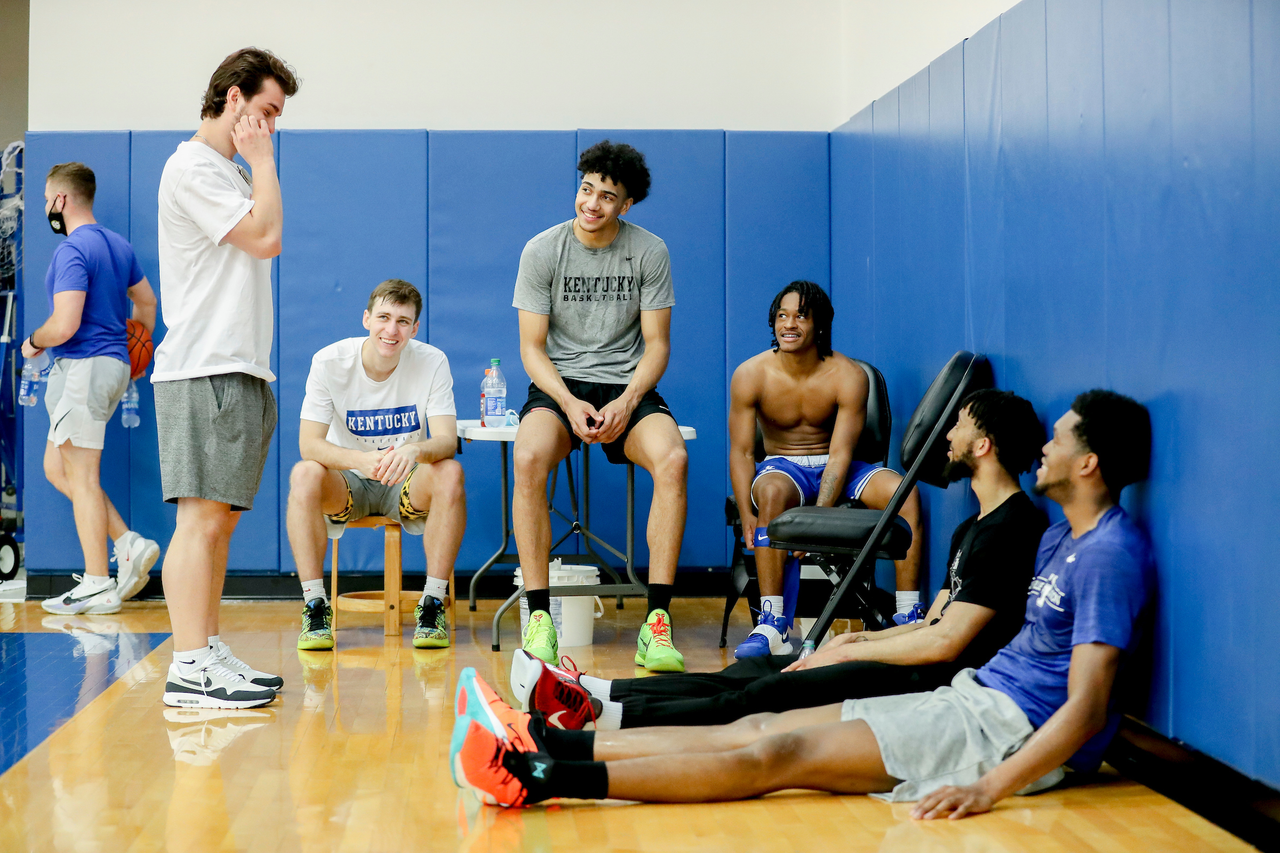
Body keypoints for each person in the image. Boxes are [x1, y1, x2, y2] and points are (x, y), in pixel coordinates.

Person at [453, 390, 1156, 820]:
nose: (1046, 448)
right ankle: (552, 741)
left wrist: (993, 786)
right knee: (760, 716)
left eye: (1061, 439)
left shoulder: (1108, 553)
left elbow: (1089, 706)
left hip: (996, 730)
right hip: (972, 699)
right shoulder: (1062, 534)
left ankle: (544, 776)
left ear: (1089, 463)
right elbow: (960, 622)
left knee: (776, 749)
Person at [509, 389, 1048, 731]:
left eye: (962, 425)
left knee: (768, 692)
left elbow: (947, 644)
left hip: (928, 686)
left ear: (984, 446)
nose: (948, 433)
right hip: (909, 659)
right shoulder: (970, 528)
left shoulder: (1014, 529)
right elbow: (934, 622)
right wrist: (852, 640)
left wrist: (850, 651)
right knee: (755, 668)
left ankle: (605, 717)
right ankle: (594, 690)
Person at [153, 48, 299, 710]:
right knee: (199, 520)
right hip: (203, 367)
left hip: (237, 366)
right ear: (234, 98)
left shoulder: (226, 172)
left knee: (220, 526)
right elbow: (267, 237)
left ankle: (204, 647)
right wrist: (263, 163)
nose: (272, 125)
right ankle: (187, 665)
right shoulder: (192, 168)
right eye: (267, 110)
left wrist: (255, 165)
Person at [511, 140, 689, 671]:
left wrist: (629, 399)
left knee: (674, 459)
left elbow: (657, 345)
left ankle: (656, 626)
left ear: (626, 205)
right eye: (586, 189)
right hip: (559, 383)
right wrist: (565, 401)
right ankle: (540, 618)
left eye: (606, 197)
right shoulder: (542, 250)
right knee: (527, 458)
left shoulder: (649, 251)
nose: (591, 204)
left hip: (625, 386)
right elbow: (531, 347)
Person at [729, 281, 923, 657]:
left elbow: (840, 453)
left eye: (800, 316)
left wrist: (818, 521)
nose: (789, 324)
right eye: (782, 316)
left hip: (840, 464)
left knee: (905, 492)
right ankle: (773, 627)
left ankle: (908, 615)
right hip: (783, 467)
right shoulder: (751, 374)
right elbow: (740, 452)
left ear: (820, 325)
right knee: (769, 493)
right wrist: (746, 512)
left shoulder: (848, 374)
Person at [286, 279, 465, 651]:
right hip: (349, 482)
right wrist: (359, 461)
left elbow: (447, 440)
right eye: (383, 317)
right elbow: (309, 445)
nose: (391, 329)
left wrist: (415, 450)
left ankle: (431, 604)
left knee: (450, 471)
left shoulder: (432, 361)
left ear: (415, 329)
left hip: (405, 482)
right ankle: (315, 606)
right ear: (366, 318)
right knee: (304, 473)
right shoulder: (329, 361)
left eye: (403, 321)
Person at [26, 162, 161, 615]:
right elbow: (146, 303)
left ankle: (98, 583)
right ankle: (126, 543)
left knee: (82, 477)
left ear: (61, 200)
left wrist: (32, 341)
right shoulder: (118, 246)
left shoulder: (71, 251)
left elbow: (64, 326)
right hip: (111, 368)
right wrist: (133, 353)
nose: (47, 206)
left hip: (82, 368)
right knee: (56, 467)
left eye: (47, 198)